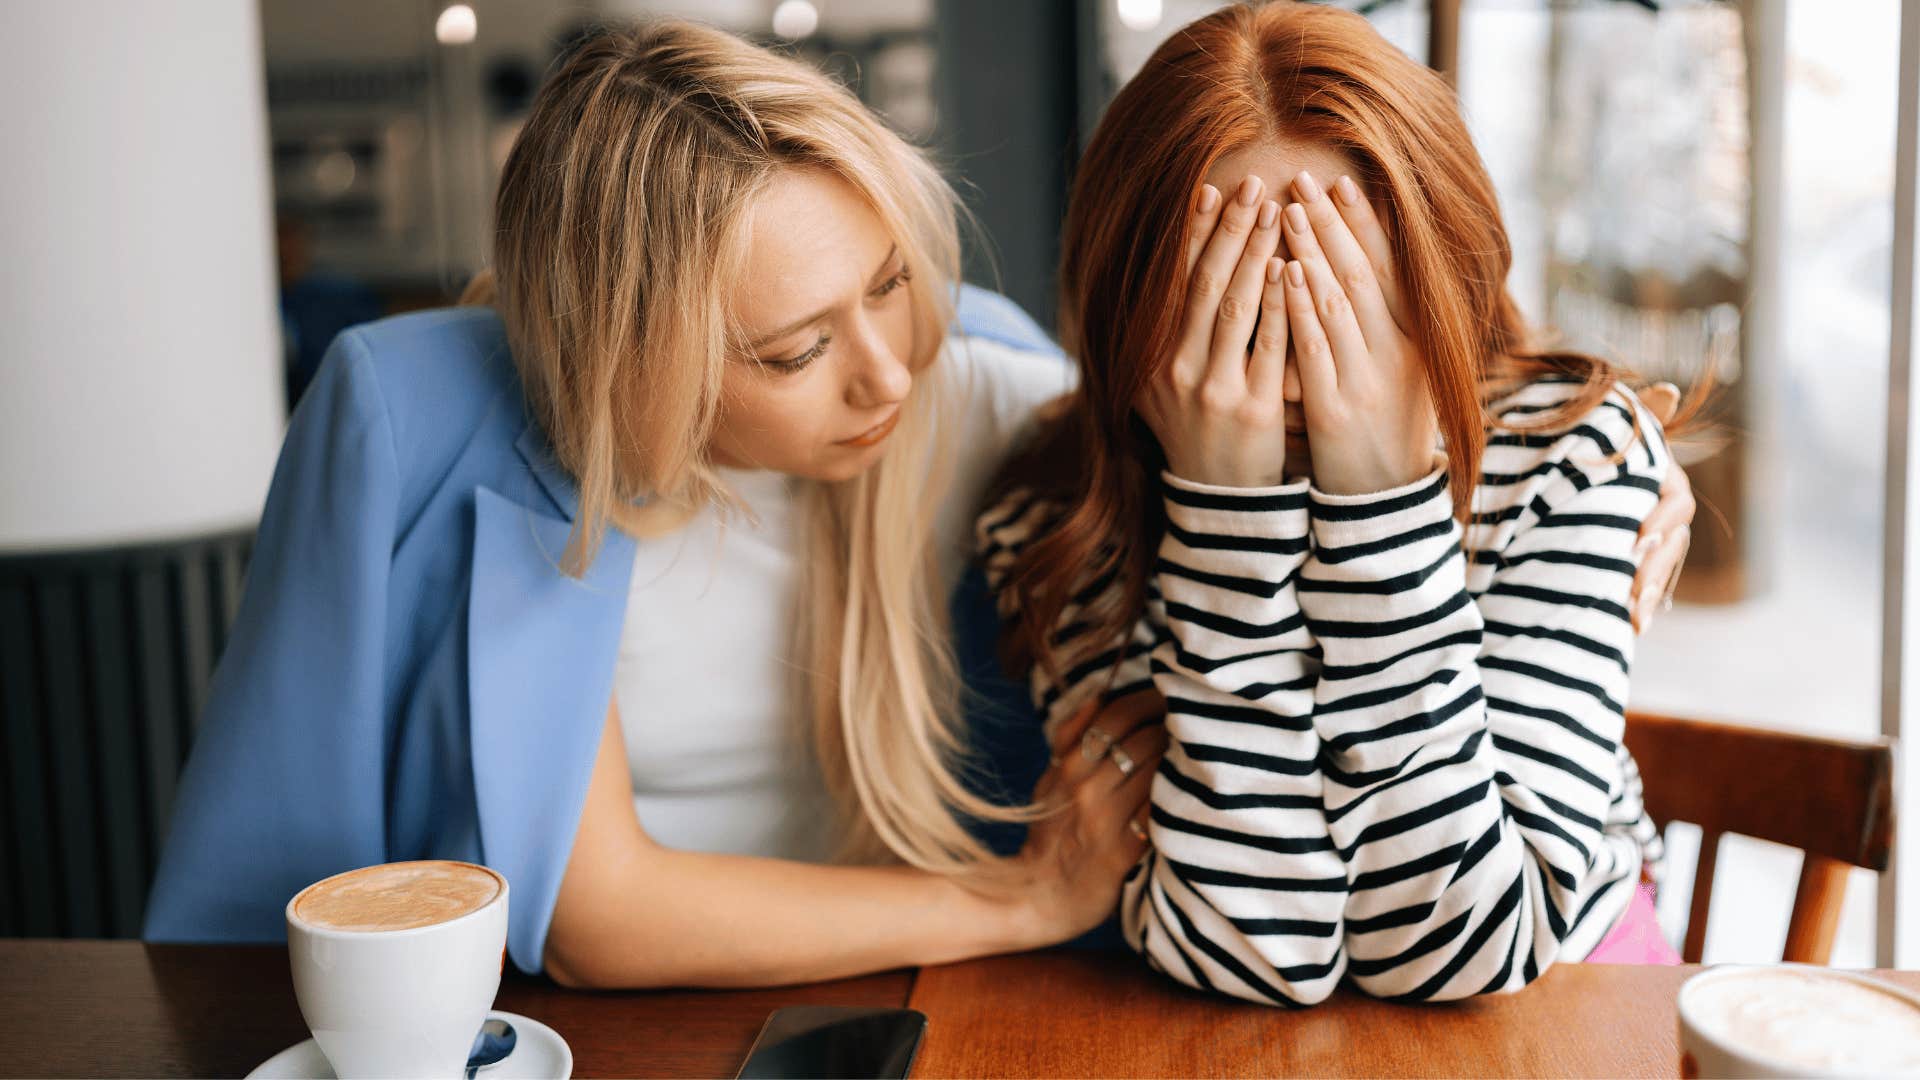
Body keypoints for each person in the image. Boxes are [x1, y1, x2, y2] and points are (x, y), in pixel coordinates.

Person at [144, 20, 1165, 987]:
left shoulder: (975, 378)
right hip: (547, 1026)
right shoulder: (413, 410)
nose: (887, 375)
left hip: (923, 999)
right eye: (796, 350)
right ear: (638, 365)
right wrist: (1017, 905)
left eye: (891, 282)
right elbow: (595, 913)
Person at [978, 0, 1697, 1006]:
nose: (1299, 362)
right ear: (1128, 301)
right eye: (1232, 301)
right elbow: (1255, 954)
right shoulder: (1061, 519)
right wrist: (1225, 519)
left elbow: (1467, 956)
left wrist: (1382, 505)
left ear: (1446, 270)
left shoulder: (1569, 458)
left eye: (1344, 290)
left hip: (1572, 1015)